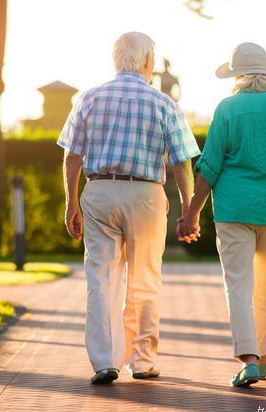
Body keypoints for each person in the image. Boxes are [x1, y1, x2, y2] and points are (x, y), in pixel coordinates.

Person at [58, 32, 201, 385]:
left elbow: (72, 155)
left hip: (99, 190)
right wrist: (188, 209)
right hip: (145, 195)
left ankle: (105, 361)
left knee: (102, 278)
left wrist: (70, 202)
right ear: (148, 62)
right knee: (145, 278)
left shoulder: (89, 98)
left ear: (115, 60)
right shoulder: (163, 103)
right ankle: (142, 361)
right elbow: (182, 163)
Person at [178, 42, 266, 387]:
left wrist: (191, 215)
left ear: (237, 75)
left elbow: (209, 166)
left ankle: (250, 359)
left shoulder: (227, 109)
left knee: (239, 286)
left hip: (233, 209)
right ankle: (262, 355)